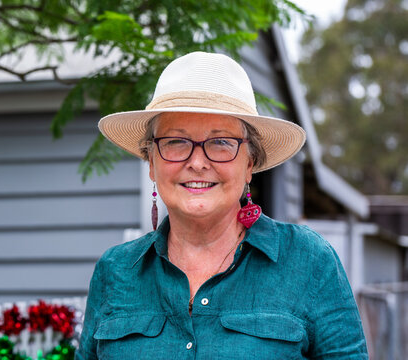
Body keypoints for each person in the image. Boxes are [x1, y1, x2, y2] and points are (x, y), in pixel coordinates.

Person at [75, 52, 368, 359]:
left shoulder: (309, 262)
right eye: (175, 141)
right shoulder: (115, 271)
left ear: (249, 164)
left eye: (221, 142)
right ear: (151, 163)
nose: (198, 162)